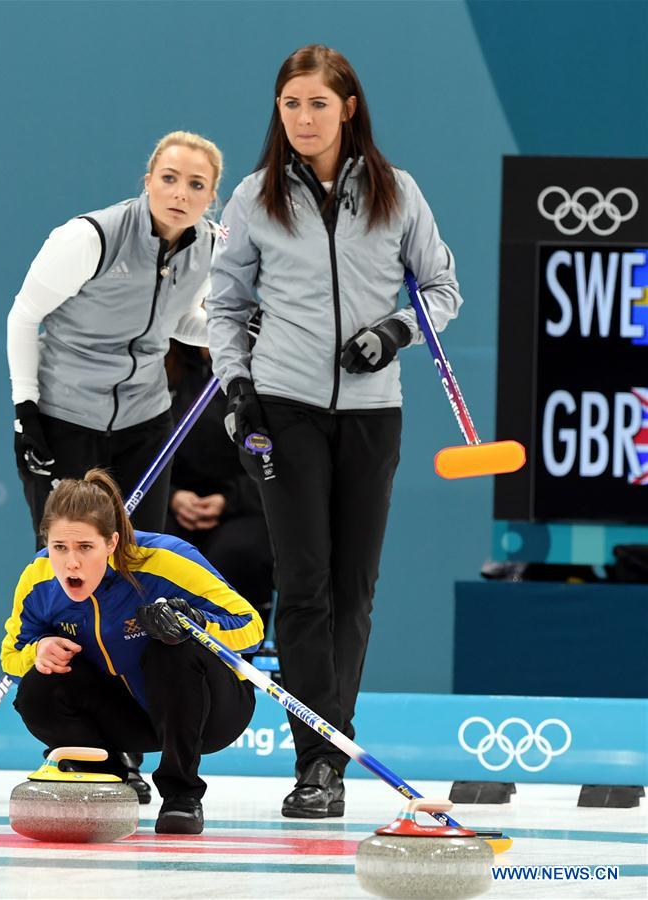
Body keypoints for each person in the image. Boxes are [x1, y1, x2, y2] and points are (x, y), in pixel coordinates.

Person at [206, 44, 463, 818]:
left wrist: (392, 333)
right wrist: (236, 386)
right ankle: (317, 762)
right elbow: (223, 306)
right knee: (305, 586)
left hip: (371, 412)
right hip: (283, 409)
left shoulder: (397, 193)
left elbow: (442, 288)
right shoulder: (253, 198)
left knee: (353, 590)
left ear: (347, 107)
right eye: (290, 104)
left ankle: (331, 748)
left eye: (318, 103)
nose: (303, 118)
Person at [0, 469, 263, 835]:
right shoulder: (39, 579)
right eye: (59, 547)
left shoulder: (165, 560)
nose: (70, 562)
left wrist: (195, 622)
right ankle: (106, 774)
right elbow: (12, 659)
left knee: (170, 649)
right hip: (126, 716)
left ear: (111, 542)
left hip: (210, 713)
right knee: (37, 688)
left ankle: (181, 795)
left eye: (85, 547)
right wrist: (39, 650)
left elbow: (251, 627)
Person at [7, 130, 222, 543]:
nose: (180, 194)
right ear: (148, 182)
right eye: (169, 178)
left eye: (196, 185)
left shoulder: (208, 246)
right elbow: (24, 315)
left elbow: (177, 322)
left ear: (210, 197)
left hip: (145, 423)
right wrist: (25, 411)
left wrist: (230, 330)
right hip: (67, 420)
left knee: (139, 564)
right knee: (69, 566)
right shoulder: (92, 238)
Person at [164, 339, 274, 628]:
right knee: (160, 551)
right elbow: (137, 450)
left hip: (244, 505)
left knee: (235, 554)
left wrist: (230, 499)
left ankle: (235, 654)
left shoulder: (262, 371)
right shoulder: (159, 365)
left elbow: (281, 459)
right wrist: (172, 497)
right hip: (170, 502)